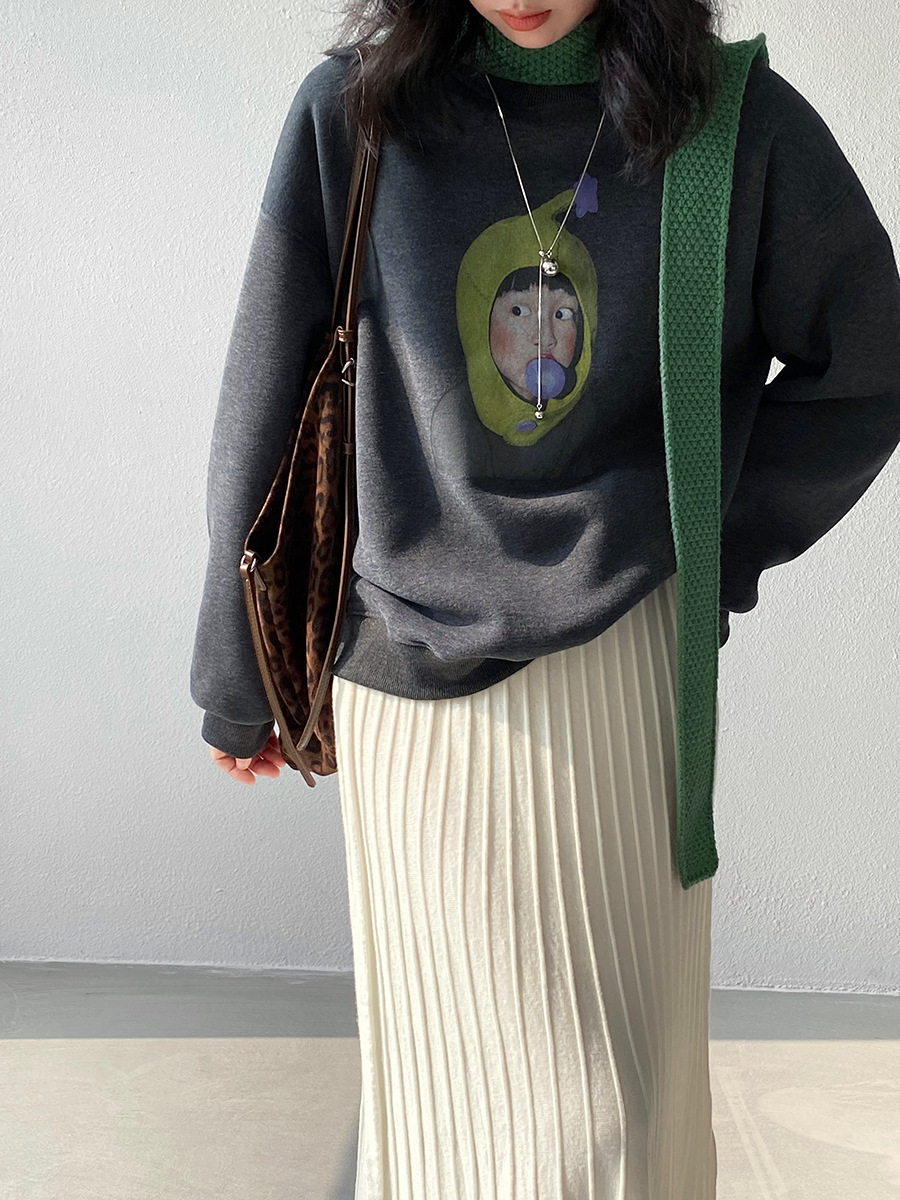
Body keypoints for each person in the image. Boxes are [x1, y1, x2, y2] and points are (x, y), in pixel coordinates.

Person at [190, 0, 900, 1195]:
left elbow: (869, 363)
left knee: (617, 1117)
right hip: (410, 708)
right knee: (443, 1115)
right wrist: (237, 677)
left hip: (624, 686)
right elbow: (262, 393)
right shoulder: (356, 116)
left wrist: (705, 543)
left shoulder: (728, 125)